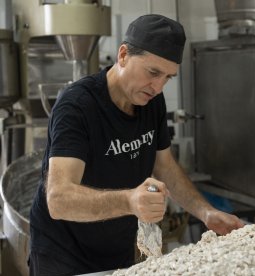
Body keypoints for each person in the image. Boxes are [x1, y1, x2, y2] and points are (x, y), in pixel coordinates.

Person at [29, 14, 244, 276]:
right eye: (153, 72)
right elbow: (58, 200)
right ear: (123, 55)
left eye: (168, 77)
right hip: (63, 255)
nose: (157, 86)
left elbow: (164, 166)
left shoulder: (151, 101)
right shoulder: (77, 106)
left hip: (115, 250)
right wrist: (130, 200)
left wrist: (206, 212)